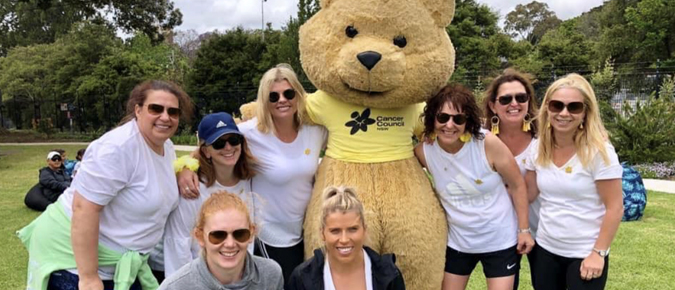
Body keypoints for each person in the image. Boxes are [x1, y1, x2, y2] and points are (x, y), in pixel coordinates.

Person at [17, 80, 193, 290]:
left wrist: (186, 168)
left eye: (173, 112)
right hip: (74, 263)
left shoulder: (167, 146)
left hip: (123, 264)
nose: (165, 117)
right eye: (156, 108)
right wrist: (89, 277)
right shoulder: (117, 148)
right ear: (138, 110)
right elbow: (84, 208)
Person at [178, 64, 327, 285]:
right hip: (270, 236)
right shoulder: (251, 132)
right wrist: (184, 168)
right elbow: (212, 144)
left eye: (288, 93)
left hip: (306, 231)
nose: (281, 100)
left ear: (298, 94)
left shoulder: (316, 131)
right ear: (264, 101)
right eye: (273, 96)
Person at [414, 84, 534, 290]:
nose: (449, 125)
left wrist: (524, 230)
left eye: (458, 119)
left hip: (500, 240)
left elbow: (517, 185)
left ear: (467, 121)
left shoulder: (486, 143)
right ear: (432, 118)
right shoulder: (424, 151)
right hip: (458, 242)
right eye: (442, 117)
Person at [524, 74, 623, 290]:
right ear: (547, 108)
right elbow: (527, 194)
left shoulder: (599, 152)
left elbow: (615, 208)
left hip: (585, 253)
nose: (564, 113)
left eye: (574, 107)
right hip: (546, 250)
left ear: (585, 112)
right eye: (556, 105)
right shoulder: (538, 148)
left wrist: (598, 253)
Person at [162, 112, 257, 276]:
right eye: (219, 143)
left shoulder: (250, 181)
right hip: (200, 277)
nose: (228, 148)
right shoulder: (192, 188)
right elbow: (177, 243)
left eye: (234, 140)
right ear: (206, 151)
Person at [483, 68, 540, 288]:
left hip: (539, 228)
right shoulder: (481, 141)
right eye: (505, 99)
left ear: (528, 101)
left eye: (521, 97)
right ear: (493, 106)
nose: (514, 103)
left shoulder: (544, 139)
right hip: (501, 231)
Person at [159, 191, 283, 290]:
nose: (230, 244)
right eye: (218, 235)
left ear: (251, 233)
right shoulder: (175, 286)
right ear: (200, 237)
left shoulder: (270, 275)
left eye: (240, 234)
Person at [287, 186, 405, 290]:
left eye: (352, 229)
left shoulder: (389, 274)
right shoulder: (302, 278)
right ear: (322, 233)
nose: (344, 239)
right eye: (335, 231)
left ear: (364, 230)